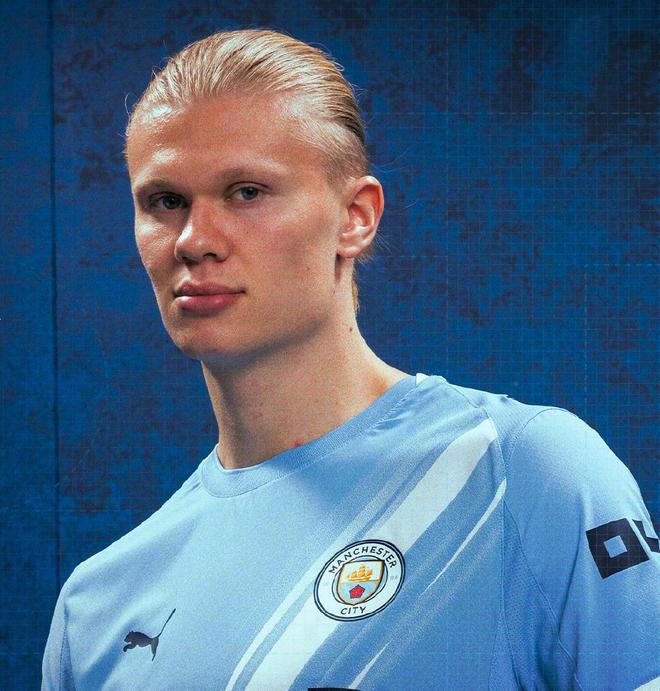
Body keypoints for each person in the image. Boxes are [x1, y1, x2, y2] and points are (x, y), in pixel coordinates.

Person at [42, 29, 659, 690]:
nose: (194, 240)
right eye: (165, 202)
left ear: (356, 217)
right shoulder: (96, 610)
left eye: (247, 192)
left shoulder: (520, 473)